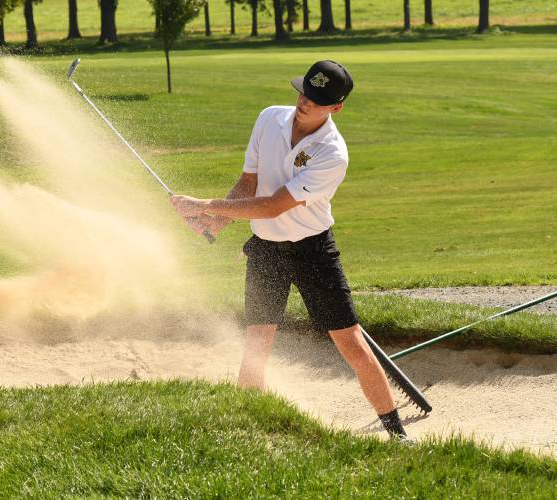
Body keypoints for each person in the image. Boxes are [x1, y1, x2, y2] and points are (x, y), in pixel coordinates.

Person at [171, 60, 409, 440]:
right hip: (267, 248)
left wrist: (204, 205)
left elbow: (273, 204)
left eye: (316, 100)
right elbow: (250, 183)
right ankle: (249, 423)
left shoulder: (332, 154)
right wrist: (216, 222)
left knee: (350, 342)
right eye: (303, 92)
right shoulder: (269, 118)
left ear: (336, 107)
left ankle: (395, 430)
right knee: (257, 339)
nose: (304, 102)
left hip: (312, 250)